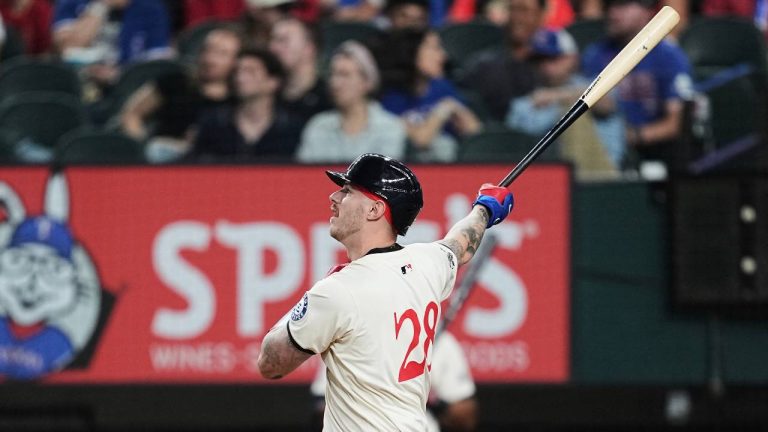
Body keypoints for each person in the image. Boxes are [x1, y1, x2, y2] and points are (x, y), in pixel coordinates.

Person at [257, 152, 513, 430]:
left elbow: (271, 364)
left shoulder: (336, 292)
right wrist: (484, 210)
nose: (334, 198)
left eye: (347, 191)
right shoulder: (428, 262)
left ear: (374, 210)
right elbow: (460, 245)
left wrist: (306, 305)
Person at [581, 0, 693, 171]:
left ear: (647, 12)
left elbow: (675, 124)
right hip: (603, 149)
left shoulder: (668, 56)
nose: (613, 14)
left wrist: (632, 136)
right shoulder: (596, 54)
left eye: (622, 6)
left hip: (654, 153)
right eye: (610, 7)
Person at [309, 328, 478, 432]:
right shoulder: (347, 336)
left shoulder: (441, 342)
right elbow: (319, 409)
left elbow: (467, 417)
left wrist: (431, 399)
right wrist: (367, 393)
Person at [120, 27, 242, 163]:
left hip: (217, 162)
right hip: (165, 158)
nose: (210, 59)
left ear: (236, 61)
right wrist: (142, 147)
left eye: (222, 54)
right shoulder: (176, 82)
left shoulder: (240, 98)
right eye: (207, 50)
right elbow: (131, 114)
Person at [377, 29, 482, 162]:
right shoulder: (393, 97)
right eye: (435, 48)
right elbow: (421, 141)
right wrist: (443, 110)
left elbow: (475, 131)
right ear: (413, 52)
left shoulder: (443, 87)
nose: (443, 56)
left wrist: (455, 108)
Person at [296, 41, 406, 162]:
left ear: (367, 82)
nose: (335, 83)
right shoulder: (318, 126)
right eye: (333, 74)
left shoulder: (389, 127)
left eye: (344, 75)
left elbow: (385, 176)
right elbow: (304, 176)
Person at [189, 48, 301, 161]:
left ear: (273, 82)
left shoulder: (291, 128)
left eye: (250, 71)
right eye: (237, 71)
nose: (240, 78)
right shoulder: (215, 122)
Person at [52, 0, 173, 89]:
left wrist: (119, 76)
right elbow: (68, 49)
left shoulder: (151, 8)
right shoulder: (72, 3)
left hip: (128, 90)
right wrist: (100, 6)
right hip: (78, 84)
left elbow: (157, 64)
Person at [268, 17, 331, 131]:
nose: (273, 48)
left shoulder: (329, 99)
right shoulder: (266, 96)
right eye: (272, 40)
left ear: (309, 48)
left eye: (283, 40)